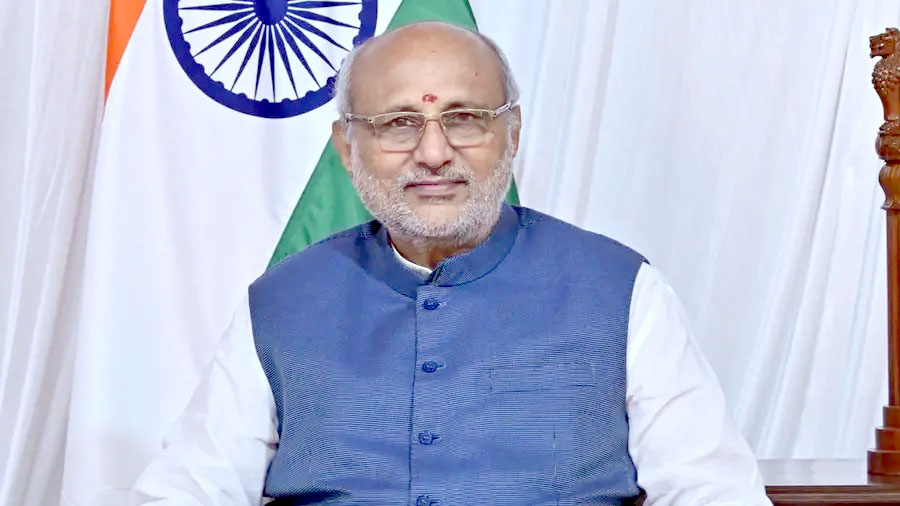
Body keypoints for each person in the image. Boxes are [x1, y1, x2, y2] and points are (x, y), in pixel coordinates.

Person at [131, 21, 771, 506]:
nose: (434, 153)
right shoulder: (280, 304)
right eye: (398, 123)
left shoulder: (621, 292)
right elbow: (189, 489)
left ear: (512, 133)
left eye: (465, 119)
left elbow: (712, 492)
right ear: (348, 148)